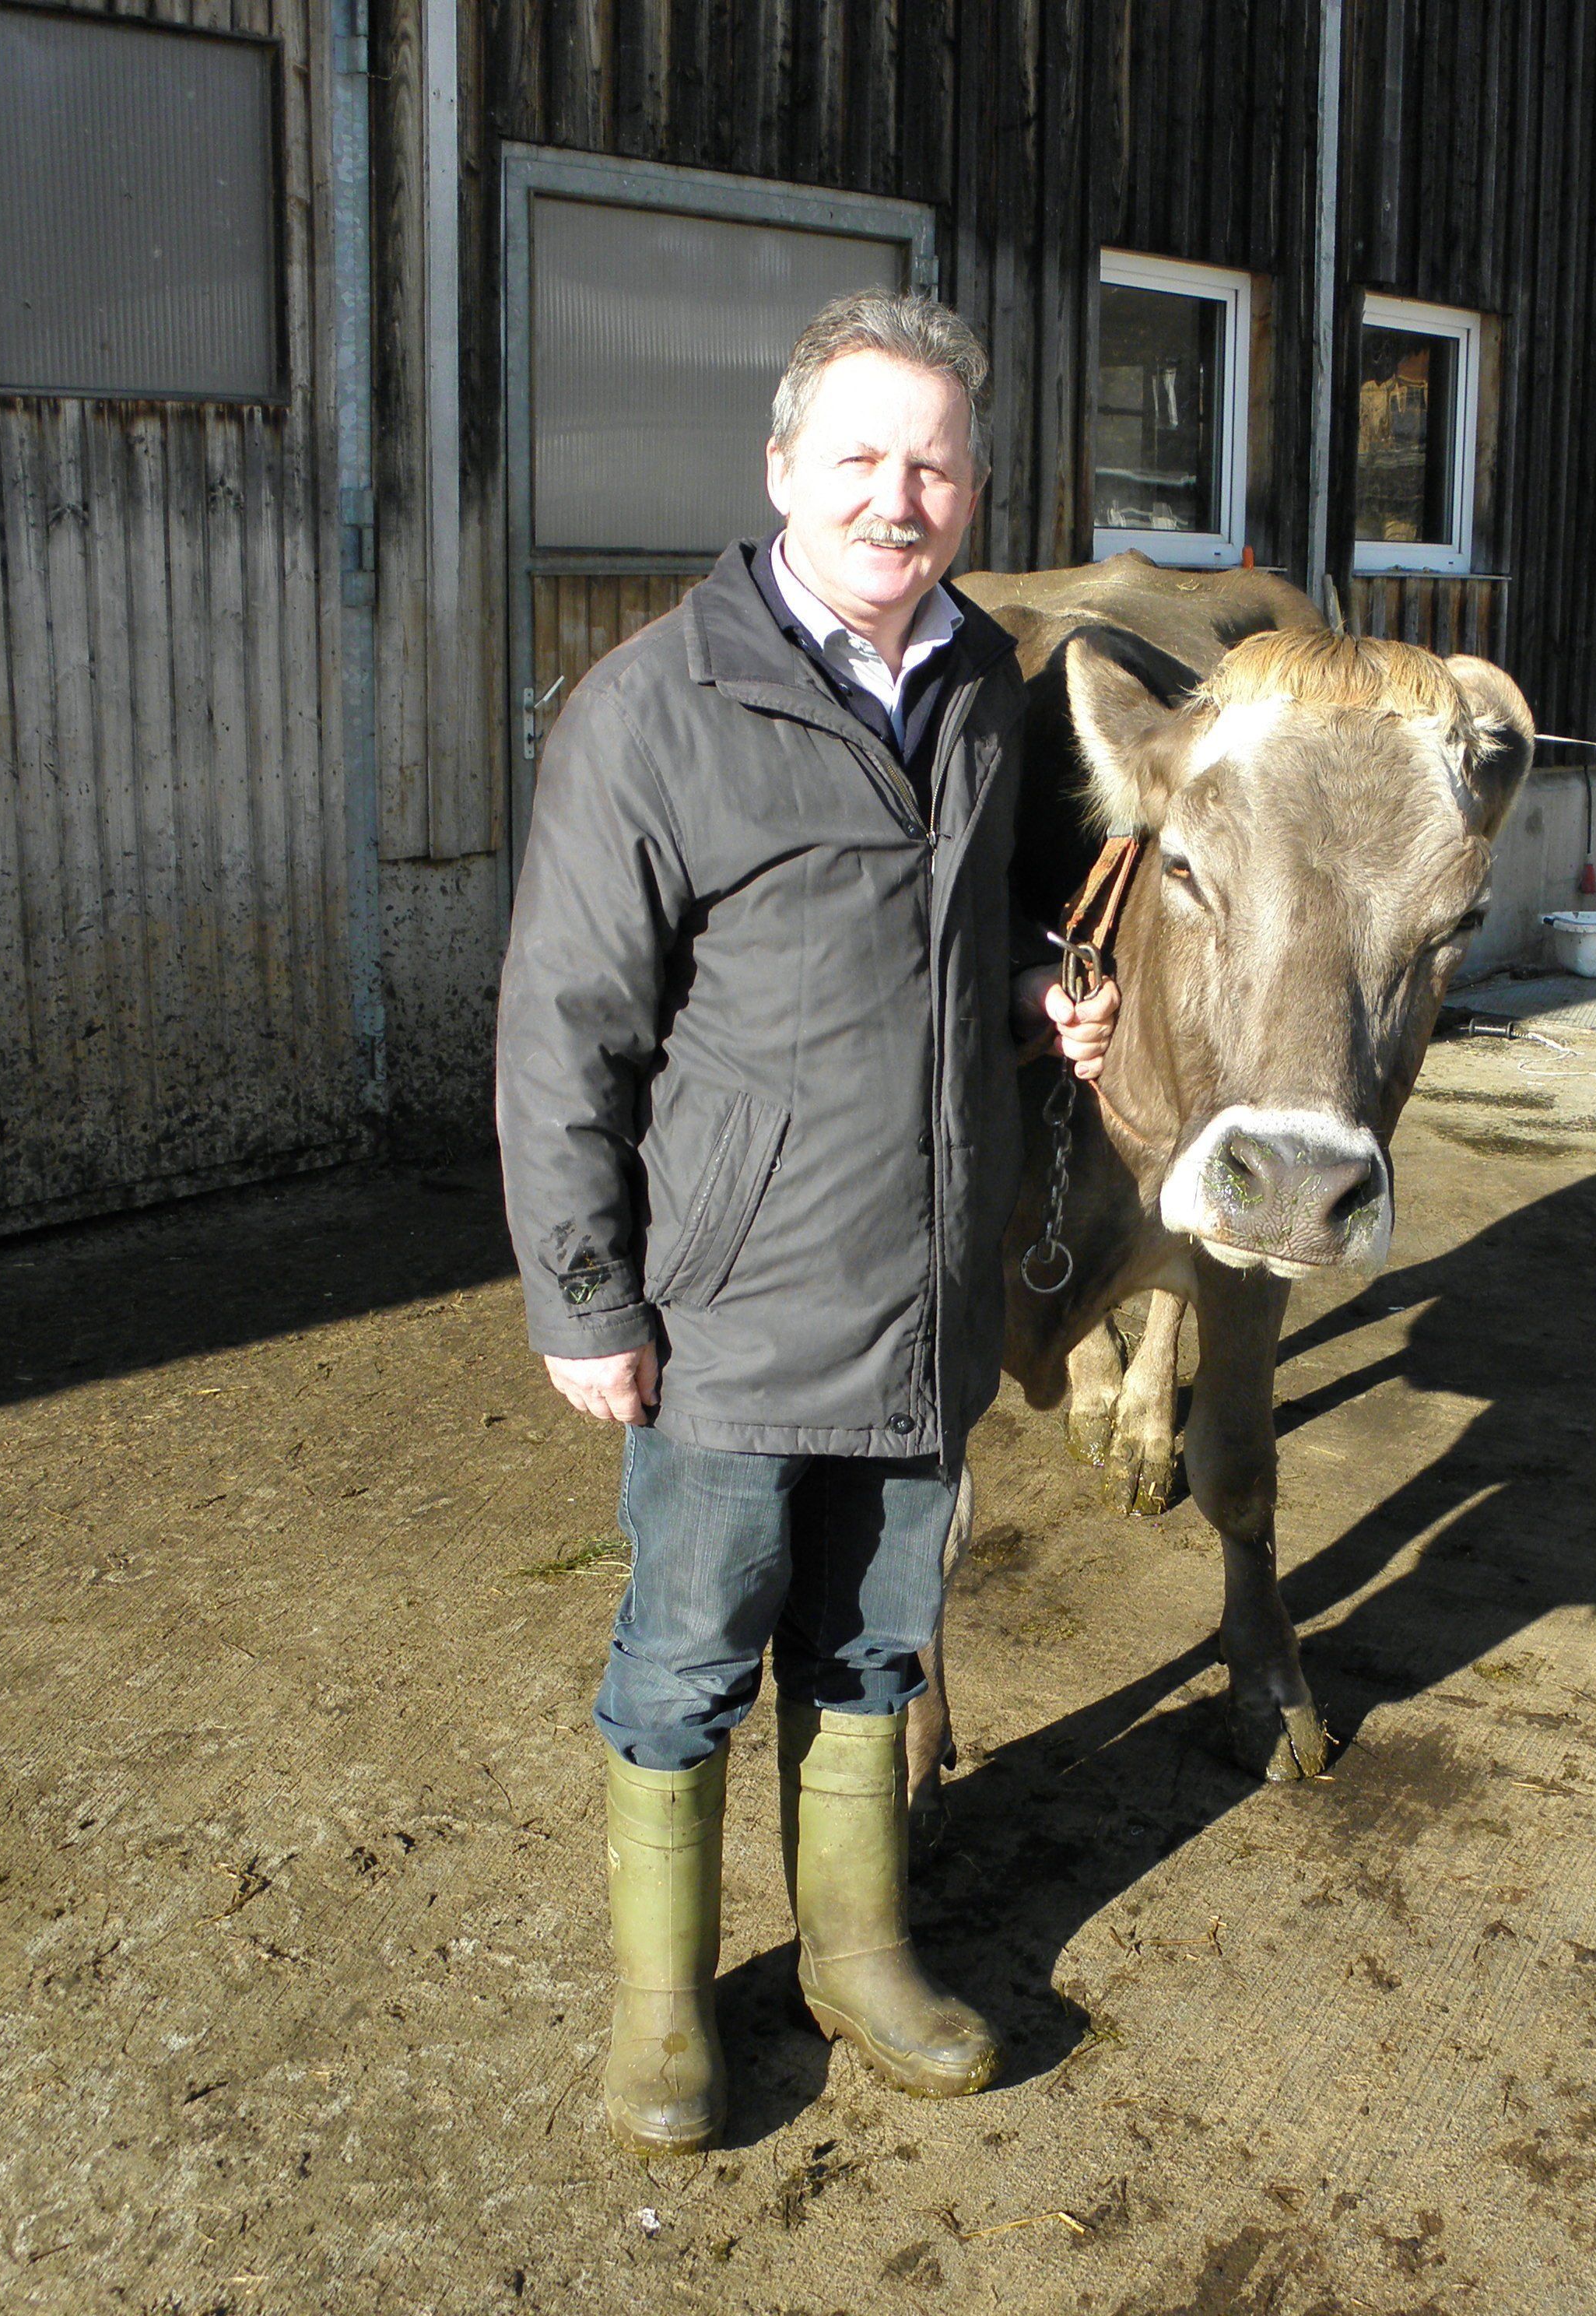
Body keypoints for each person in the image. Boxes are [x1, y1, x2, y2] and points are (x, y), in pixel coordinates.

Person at [495, 290, 1117, 2155]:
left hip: (922, 1291)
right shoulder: (651, 710)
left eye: (932, 464)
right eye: (856, 456)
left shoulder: (985, 680)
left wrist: (1035, 987)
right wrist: (585, 1295)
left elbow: (969, 920)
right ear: (779, 470)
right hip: (732, 1309)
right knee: (688, 1656)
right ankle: (662, 2011)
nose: (893, 497)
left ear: (973, 489)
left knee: (875, 1644)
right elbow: (562, 1033)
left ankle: (854, 1956)